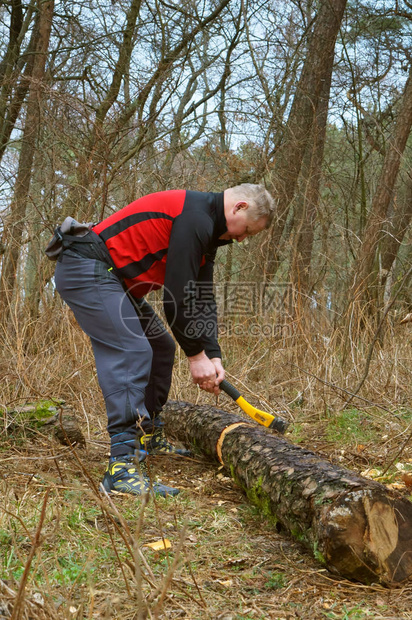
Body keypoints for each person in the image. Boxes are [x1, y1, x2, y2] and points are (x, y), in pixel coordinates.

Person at [52, 184, 275, 497]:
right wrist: (195, 356)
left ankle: (147, 436)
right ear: (238, 207)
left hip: (113, 279)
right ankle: (121, 467)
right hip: (87, 267)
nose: (241, 240)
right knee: (132, 349)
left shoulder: (208, 231)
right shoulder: (195, 217)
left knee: (160, 347)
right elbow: (178, 296)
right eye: (247, 231)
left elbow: (201, 298)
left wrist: (212, 354)